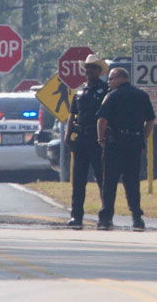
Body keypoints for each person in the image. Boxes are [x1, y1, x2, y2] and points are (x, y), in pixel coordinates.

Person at [96, 68, 155, 231]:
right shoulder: (142, 96)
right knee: (132, 182)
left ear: (120, 78)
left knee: (109, 182)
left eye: (110, 79)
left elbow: (102, 120)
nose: (109, 83)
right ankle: (137, 218)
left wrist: (101, 140)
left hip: (115, 144)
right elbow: (151, 120)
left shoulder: (112, 96)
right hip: (134, 143)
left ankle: (106, 218)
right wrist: (143, 137)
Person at [64, 54, 109, 229]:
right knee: (78, 180)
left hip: (98, 139)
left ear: (99, 71)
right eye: (87, 68)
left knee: (102, 178)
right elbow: (72, 115)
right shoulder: (80, 91)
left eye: (93, 68)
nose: (89, 70)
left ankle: (105, 216)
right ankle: (76, 216)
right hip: (81, 138)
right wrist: (68, 136)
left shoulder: (105, 90)